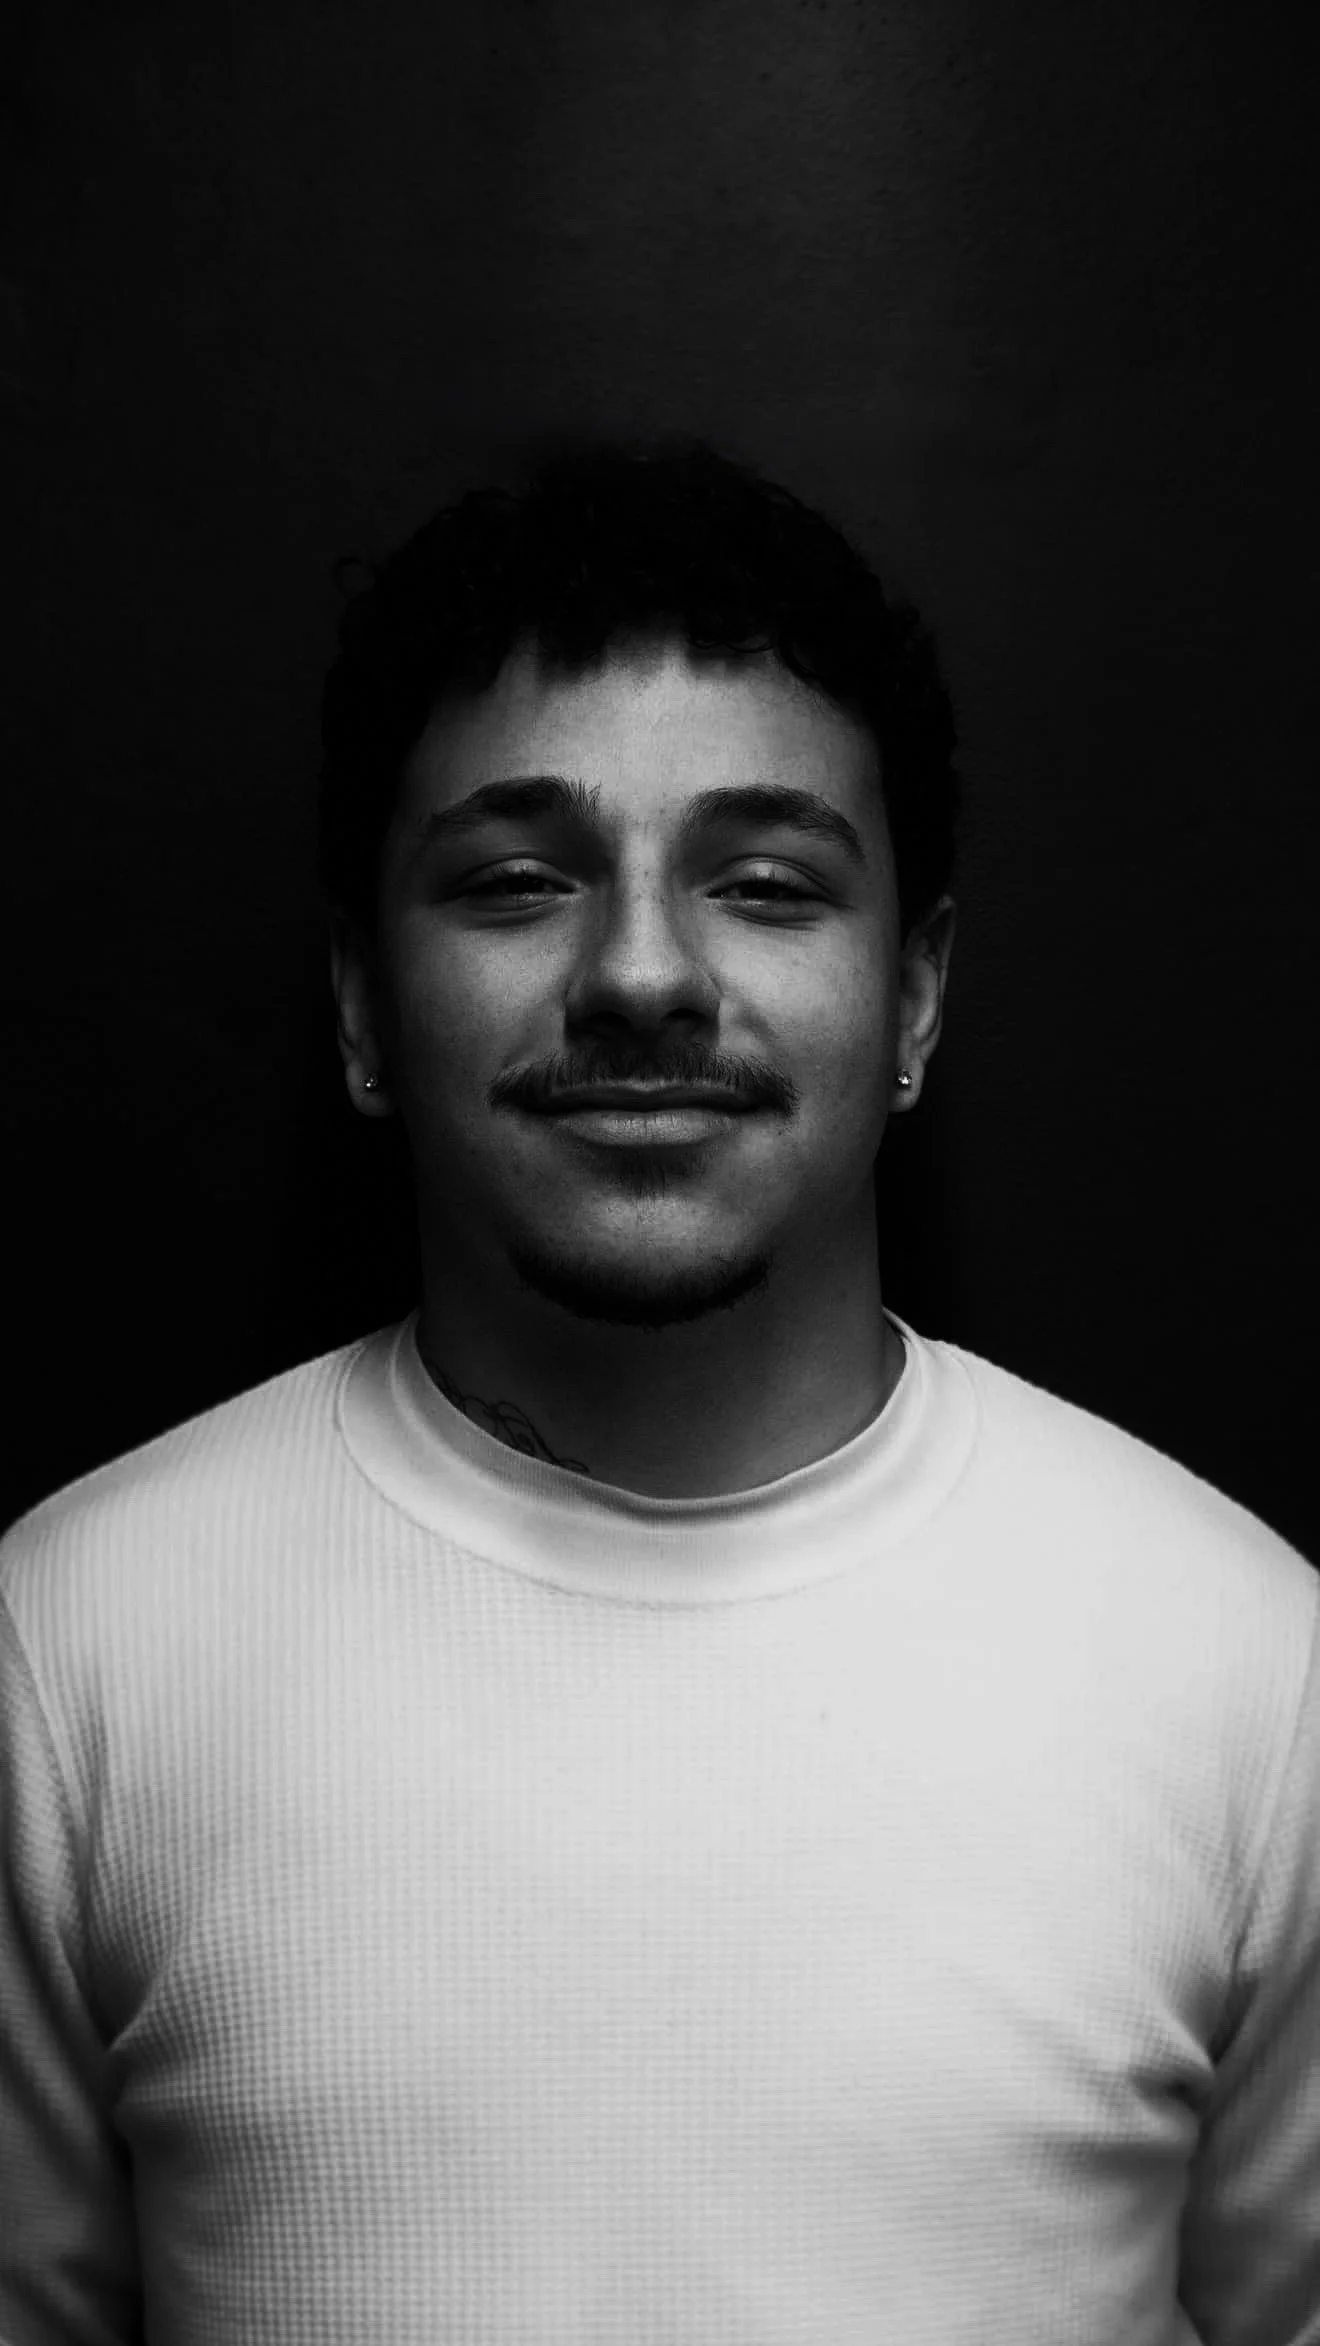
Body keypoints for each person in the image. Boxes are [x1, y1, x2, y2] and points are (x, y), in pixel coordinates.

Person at [1, 436, 1315, 2346]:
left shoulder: (1246, 1670)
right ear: (364, 1007)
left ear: (918, 997)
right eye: (519, 880)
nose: (640, 971)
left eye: (767, 883)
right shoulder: (72, 1653)